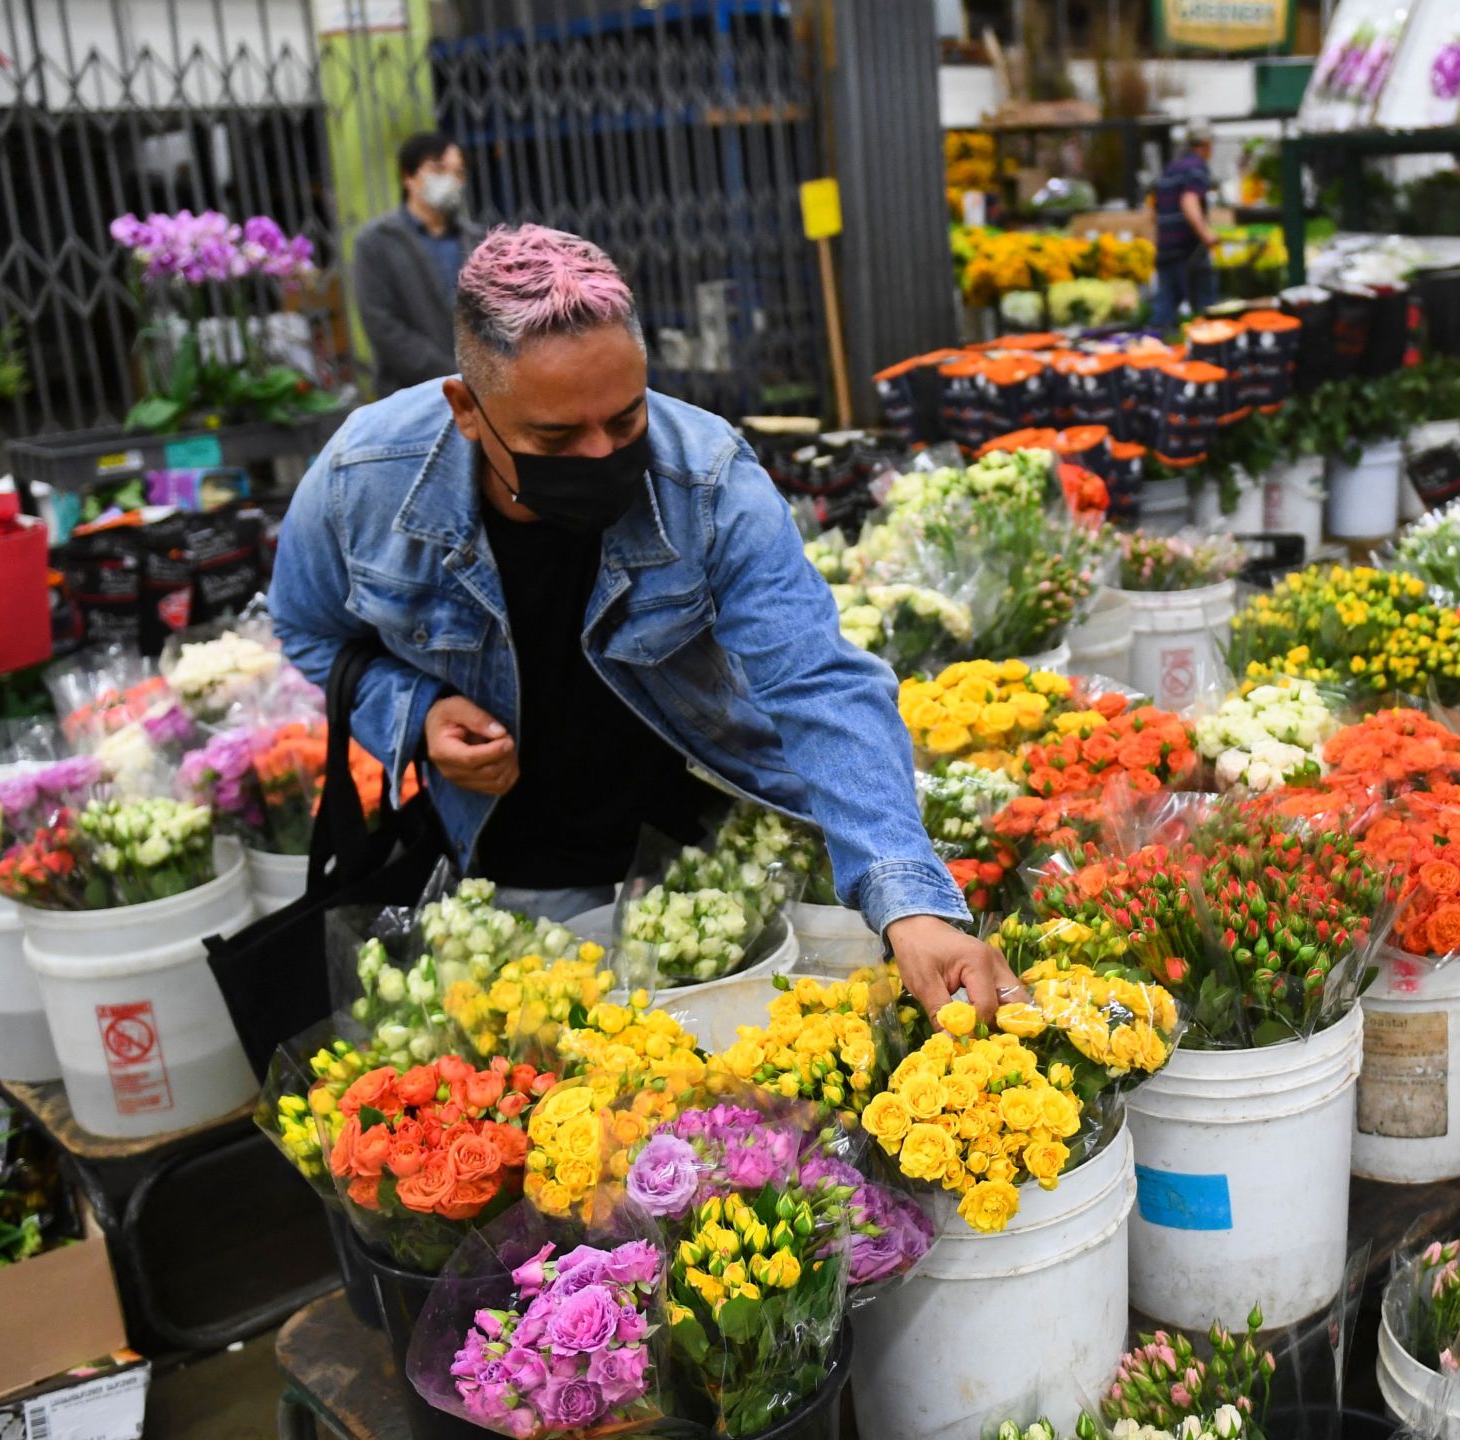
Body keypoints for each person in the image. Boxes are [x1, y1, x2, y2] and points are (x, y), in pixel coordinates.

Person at [270, 224, 1019, 1022]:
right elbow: (307, 628)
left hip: (707, 850)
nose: (601, 454)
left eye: (626, 421)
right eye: (556, 437)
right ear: (467, 409)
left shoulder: (706, 479)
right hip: (509, 859)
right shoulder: (366, 479)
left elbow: (819, 682)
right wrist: (415, 714)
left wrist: (909, 903)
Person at [350, 131, 484, 395]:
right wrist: (449, 372)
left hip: (481, 392)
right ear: (408, 176)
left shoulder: (476, 239)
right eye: (438, 169)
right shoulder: (376, 241)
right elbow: (380, 322)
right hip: (410, 394)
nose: (450, 180)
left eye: (458, 173)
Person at [1151, 125, 1219, 324]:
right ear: (1206, 146)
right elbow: (1189, 201)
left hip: (1165, 248)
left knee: (1164, 307)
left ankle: (1153, 348)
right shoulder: (1197, 167)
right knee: (1206, 309)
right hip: (1188, 250)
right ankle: (1208, 350)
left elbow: (1154, 212)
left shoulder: (1169, 170)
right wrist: (1206, 234)